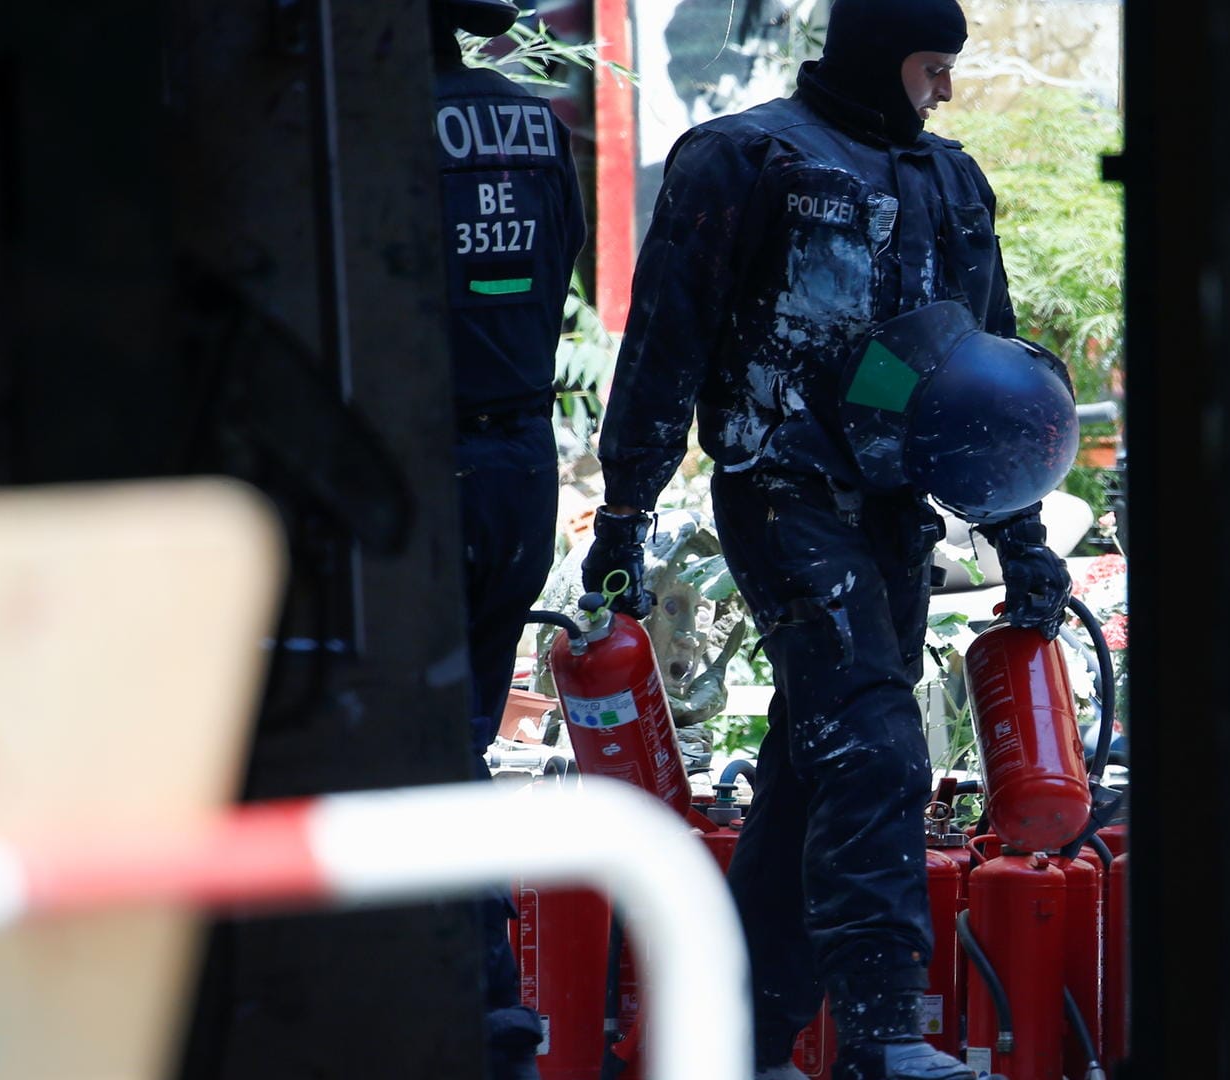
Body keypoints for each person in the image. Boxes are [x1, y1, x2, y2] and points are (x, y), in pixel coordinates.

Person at [581, 2, 1074, 1077]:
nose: (943, 91)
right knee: (877, 745)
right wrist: (625, 514)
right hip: (781, 492)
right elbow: (665, 344)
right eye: (931, 68)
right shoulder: (743, 158)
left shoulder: (952, 186)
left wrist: (1023, 539)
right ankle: (884, 1035)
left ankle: (744, 1046)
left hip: (894, 509)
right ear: (878, 58)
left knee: (819, 768)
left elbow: (994, 393)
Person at [431, 1, 587, 1076]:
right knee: (467, 725)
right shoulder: (536, 124)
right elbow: (561, 264)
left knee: (424, 743)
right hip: (523, 462)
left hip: (424, 463)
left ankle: (482, 1003)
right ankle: (487, 1001)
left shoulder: (367, 136)